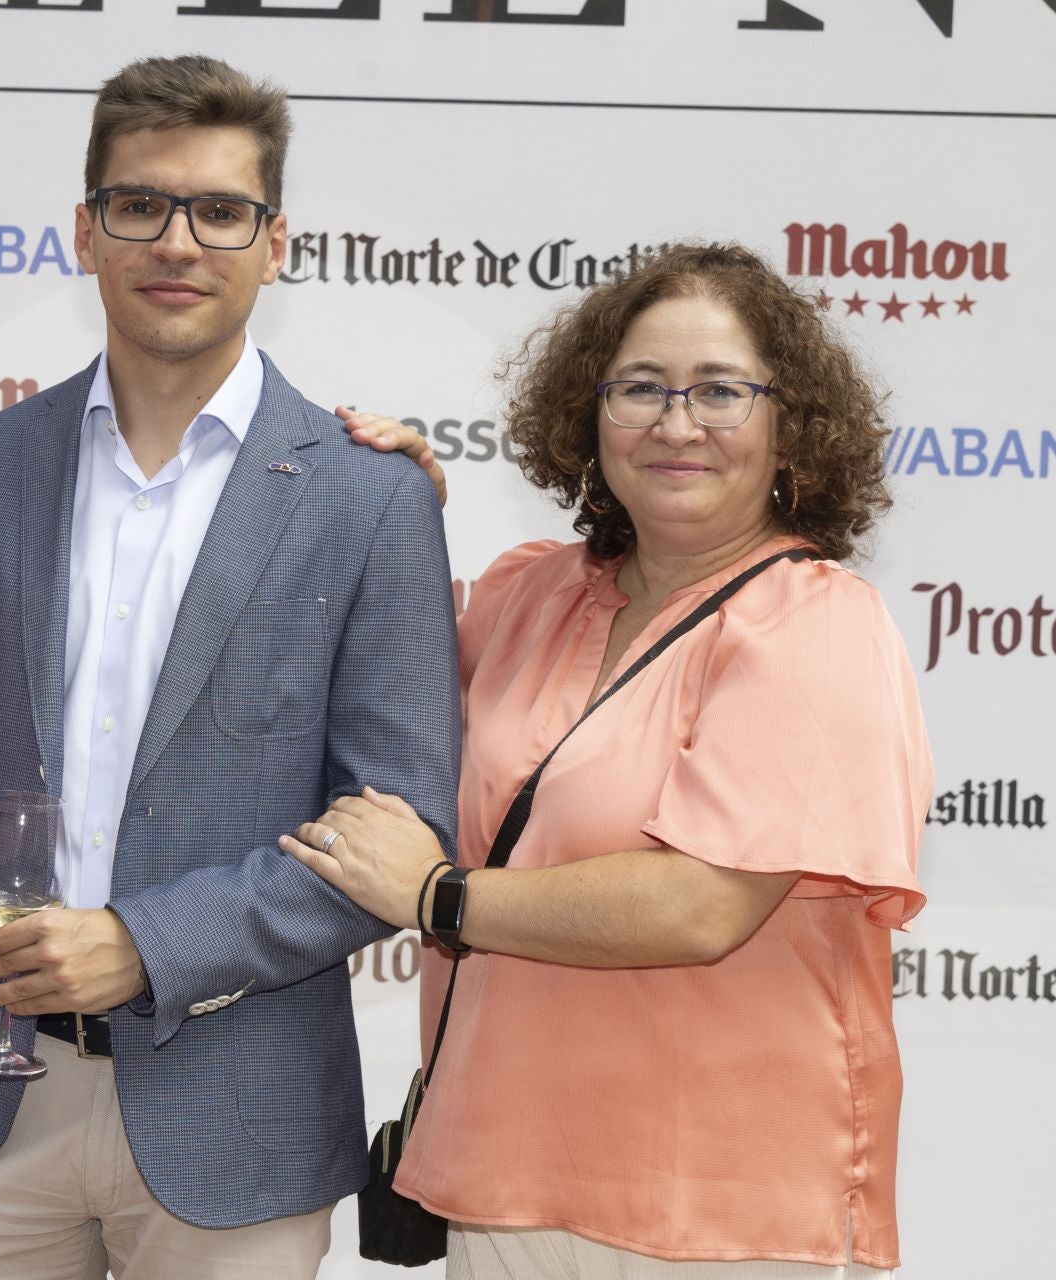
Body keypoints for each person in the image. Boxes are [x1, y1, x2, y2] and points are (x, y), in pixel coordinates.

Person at [0, 55, 460, 1280]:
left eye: (220, 210)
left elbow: (397, 833)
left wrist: (146, 941)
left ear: (274, 243)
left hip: (240, 1117)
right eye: (140, 204)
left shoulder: (370, 497)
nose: (177, 241)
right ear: (87, 231)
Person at [289, 242, 930, 1279]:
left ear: (791, 425)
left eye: (720, 390)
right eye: (640, 388)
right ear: (588, 415)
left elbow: (702, 904)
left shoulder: (819, 625)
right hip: (498, 1184)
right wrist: (389, 513)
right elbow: (367, 698)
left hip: (723, 1214)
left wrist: (439, 898)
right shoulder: (527, 594)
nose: (676, 425)